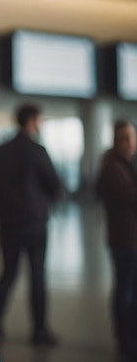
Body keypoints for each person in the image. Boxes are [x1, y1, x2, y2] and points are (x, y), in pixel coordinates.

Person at [0, 102, 62, 346]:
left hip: (8, 224)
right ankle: (39, 330)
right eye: (39, 120)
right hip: (34, 223)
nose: (40, 125)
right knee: (37, 276)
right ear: (31, 120)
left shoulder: (0, 151)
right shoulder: (36, 150)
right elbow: (54, 184)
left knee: (8, 273)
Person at [96, 119, 137, 359]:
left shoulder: (126, 165)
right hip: (125, 239)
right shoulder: (113, 169)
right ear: (115, 141)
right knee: (125, 291)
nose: (130, 143)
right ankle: (125, 340)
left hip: (128, 238)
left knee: (129, 290)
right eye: (125, 138)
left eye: (132, 137)